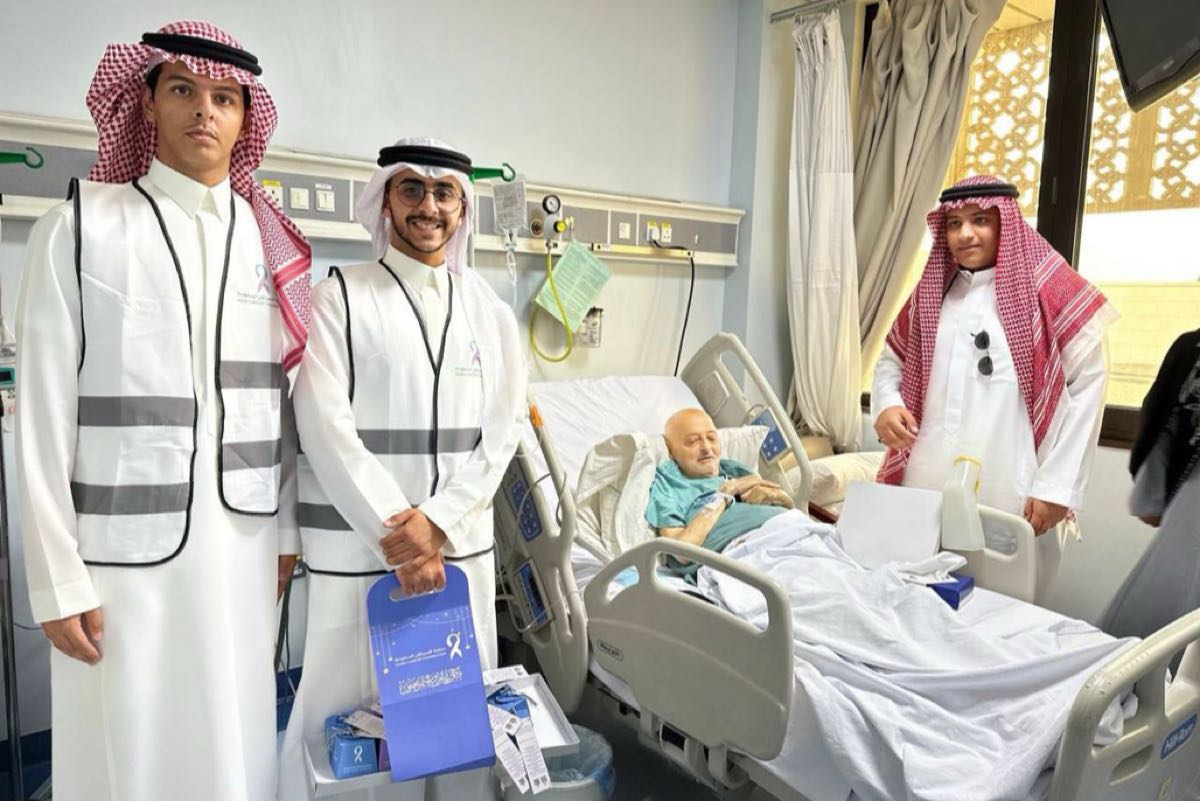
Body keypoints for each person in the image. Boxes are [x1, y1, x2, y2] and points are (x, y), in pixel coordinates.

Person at [15, 21, 310, 801]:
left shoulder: (270, 244)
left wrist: (285, 532)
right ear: (146, 102)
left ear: (246, 118)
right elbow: (41, 419)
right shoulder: (79, 228)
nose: (204, 110)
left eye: (224, 98)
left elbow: (277, 404)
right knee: (130, 748)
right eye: (183, 89)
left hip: (244, 544)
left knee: (235, 737)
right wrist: (56, 580)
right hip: (118, 561)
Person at [279, 138, 527, 801]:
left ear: (463, 209)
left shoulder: (490, 313)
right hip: (362, 556)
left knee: (455, 734)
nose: (429, 206)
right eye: (411, 188)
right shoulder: (338, 297)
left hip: (456, 557)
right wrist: (403, 537)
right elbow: (323, 425)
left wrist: (437, 525)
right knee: (349, 737)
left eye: (445, 193)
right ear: (385, 200)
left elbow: (504, 431)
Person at [871, 175, 1116, 601]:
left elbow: (1088, 388)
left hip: (1012, 486)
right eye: (954, 224)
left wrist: (1056, 488)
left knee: (1002, 609)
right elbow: (892, 360)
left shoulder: (1050, 290)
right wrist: (887, 405)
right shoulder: (932, 294)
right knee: (918, 600)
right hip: (926, 480)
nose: (965, 234)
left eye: (980, 220)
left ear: (1005, 221)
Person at [1101, 329, 1200, 638]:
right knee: (1160, 636)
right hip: (1191, 510)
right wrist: (1151, 495)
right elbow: (1165, 417)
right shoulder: (1192, 350)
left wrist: (1151, 497)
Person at [645, 408, 793, 578]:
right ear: (670, 450)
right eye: (692, 442)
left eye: (711, 438)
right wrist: (724, 495)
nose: (706, 448)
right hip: (748, 552)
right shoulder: (669, 484)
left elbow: (787, 507)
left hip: (791, 530)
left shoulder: (733, 469)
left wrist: (783, 498)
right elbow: (681, 551)